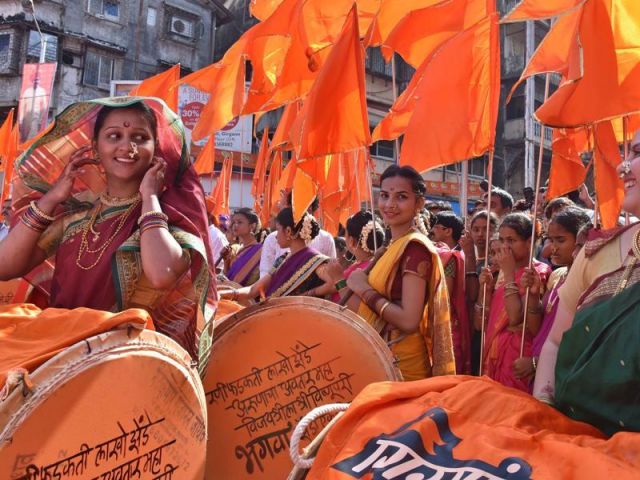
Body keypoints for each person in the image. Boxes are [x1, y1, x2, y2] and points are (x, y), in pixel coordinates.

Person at [0, 97, 216, 364]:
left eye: (140, 137)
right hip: (58, 358)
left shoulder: (166, 220)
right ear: (95, 147)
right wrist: (53, 197)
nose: (128, 146)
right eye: (114, 136)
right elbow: (5, 266)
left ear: (155, 151)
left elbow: (162, 275)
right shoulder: (73, 221)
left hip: (124, 365)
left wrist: (149, 197)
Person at [533, 130, 640, 434]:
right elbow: (555, 342)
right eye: (627, 153)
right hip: (575, 447)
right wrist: (544, 413)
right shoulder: (596, 252)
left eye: (638, 153)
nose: (623, 167)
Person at [328, 165, 455, 381]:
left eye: (401, 197)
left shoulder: (415, 249)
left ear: (419, 203)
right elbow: (366, 312)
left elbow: (408, 320)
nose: (390, 204)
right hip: (379, 355)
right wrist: (343, 283)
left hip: (402, 366)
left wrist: (364, 288)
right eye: (385, 195)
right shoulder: (389, 248)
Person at [514, 207, 591, 391]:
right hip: (542, 369)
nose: (552, 248)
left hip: (563, 373)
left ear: (581, 240)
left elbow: (582, 341)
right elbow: (537, 328)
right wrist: (533, 296)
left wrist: (536, 363)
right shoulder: (558, 275)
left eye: (561, 240)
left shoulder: (588, 282)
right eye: (550, 239)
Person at [478, 213, 550, 392]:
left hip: (518, 353)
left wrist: (509, 274)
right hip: (495, 351)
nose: (505, 246)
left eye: (511, 240)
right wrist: (484, 290)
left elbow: (515, 318)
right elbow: (480, 323)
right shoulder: (501, 272)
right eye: (502, 240)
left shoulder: (537, 272)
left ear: (529, 242)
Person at [222, 208, 334, 301]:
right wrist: (228, 293)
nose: (275, 236)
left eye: (278, 229)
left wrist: (309, 294)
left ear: (288, 231)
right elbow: (253, 290)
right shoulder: (282, 259)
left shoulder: (314, 260)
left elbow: (335, 284)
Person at [259, 196, 336, 277]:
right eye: (293, 205)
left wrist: (312, 290)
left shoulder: (324, 242)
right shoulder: (278, 251)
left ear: (310, 208)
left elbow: (332, 279)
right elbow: (264, 277)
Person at [327, 211, 385, 303]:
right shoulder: (373, 262)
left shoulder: (366, 269)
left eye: (345, 235)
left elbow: (357, 307)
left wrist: (338, 278)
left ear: (351, 241)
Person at [224, 208, 263, 287]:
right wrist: (225, 260)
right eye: (234, 222)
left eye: (240, 222)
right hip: (228, 294)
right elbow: (227, 276)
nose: (235, 225)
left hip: (246, 296)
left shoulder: (260, 251)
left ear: (252, 226)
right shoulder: (235, 249)